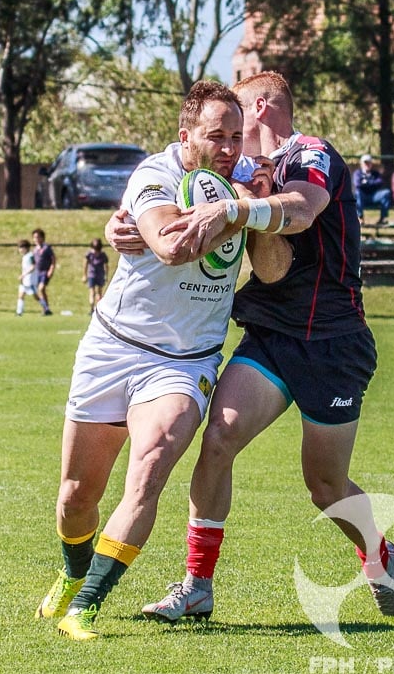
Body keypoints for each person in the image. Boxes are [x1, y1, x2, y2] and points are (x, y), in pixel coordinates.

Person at [135, 71, 394, 623]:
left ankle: (378, 554)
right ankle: (197, 585)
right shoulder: (240, 171)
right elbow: (260, 254)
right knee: (219, 438)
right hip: (271, 336)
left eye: (238, 114)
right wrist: (129, 226)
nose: (231, 134)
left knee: (325, 486)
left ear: (259, 105)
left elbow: (304, 210)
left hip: (333, 342)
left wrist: (240, 209)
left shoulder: (311, 152)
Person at [36, 80, 267, 641]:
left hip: (185, 362)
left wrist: (250, 199)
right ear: (185, 135)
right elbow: (171, 246)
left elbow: (275, 244)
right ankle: (71, 575)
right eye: (217, 136)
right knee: (75, 497)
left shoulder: (246, 179)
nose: (230, 148)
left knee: (151, 467)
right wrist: (239, 210)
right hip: (114, 348)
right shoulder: (155, 176)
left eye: (237, 136)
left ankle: (86, 605)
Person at [352, 154, 392, 225]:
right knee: (358, 193)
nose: (367, 164)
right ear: (361, 164)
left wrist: (366, 183)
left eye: (369, 163)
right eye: (365, 163)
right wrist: (372, 183)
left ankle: (383, 218)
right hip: (362, 197)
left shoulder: (375, 173)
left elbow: (380, 182)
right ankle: (360, 217)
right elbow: (357, 184)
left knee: (386, 192)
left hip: (374, 196)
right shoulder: (357, 173)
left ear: (371, 164)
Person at [31, 228, 56, 316]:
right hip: (37, 272)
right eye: (34, 237)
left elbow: (53, 260)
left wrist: (51, 270)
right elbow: (33, 262)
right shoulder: (35, 250)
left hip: (45, 272)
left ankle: (46, 308)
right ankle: (45, 308)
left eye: (38, 237)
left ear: (42, 238)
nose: (36, 239)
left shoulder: (47, 248)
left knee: (41, 289)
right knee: (39, 291)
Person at [83, 238, 109, 316]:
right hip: (93, 275)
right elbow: (85, 265)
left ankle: (97, 309)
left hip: (98, 275)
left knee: (98, 293)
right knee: (93, 292)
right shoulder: (89, 254)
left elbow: (106, 266)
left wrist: (106, 276)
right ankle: (92, 309)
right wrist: (84, 275)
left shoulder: (102, 255)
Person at [15, 239, 36, 316]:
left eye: (21, 247)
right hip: (24, 280)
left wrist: (23, 275)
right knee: (20, 295)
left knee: (36, 296)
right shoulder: (25, 256)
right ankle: (19, 312)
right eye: (19, 247)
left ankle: (46, 308)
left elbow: (33, 266)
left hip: (30, 280)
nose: (19, 249)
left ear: (26, 248)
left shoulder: (30, 256)